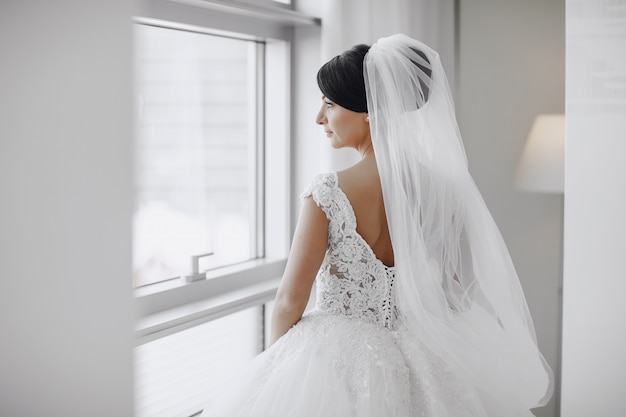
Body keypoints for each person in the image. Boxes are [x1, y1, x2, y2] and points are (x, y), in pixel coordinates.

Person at [201, 33, 553, 417]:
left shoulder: (328, 192)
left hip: (335, 359)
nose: (320, 118)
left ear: (368, 111)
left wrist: (274, 370)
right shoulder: (442, 190)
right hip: (428, 352)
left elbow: (289, 300)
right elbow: (451, 290)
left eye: (329, 105)